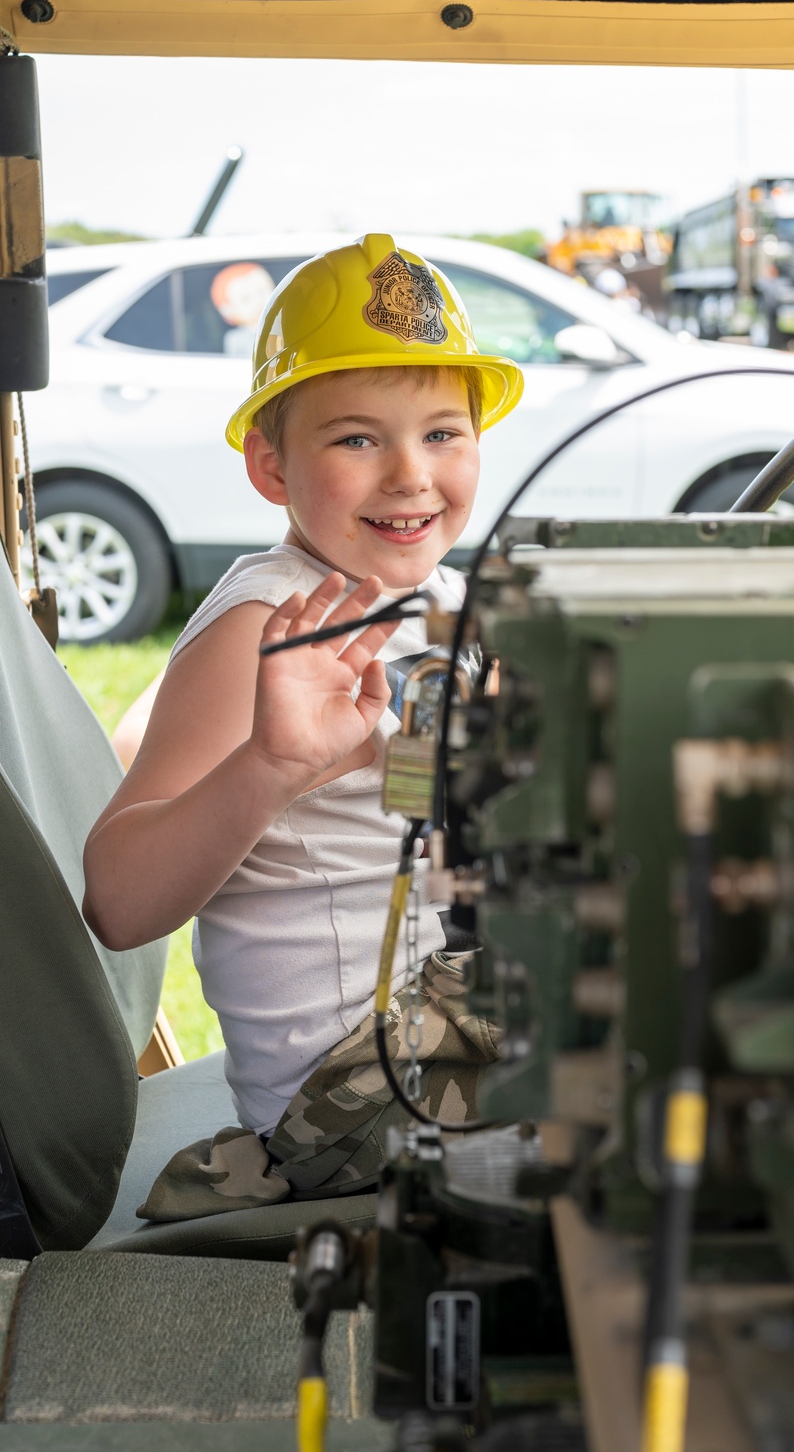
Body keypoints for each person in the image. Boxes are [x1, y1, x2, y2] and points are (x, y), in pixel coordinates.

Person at [82, 234, 524, 1220]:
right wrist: (272, 765)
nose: (412, 474)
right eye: (358, 438)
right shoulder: (264, 627)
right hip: (351, 1093)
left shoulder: (438, 600)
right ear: (269, 465)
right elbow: (116, 900)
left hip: (440, 1010)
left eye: (444, 433)